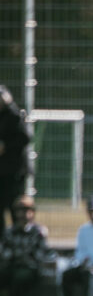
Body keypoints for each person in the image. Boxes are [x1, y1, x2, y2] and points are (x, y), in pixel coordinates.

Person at [0, 196, 50, 296]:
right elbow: (5, 252)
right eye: (20, 211)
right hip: (13, 265)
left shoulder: (38, 232)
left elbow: (40, 255)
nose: (24, 215)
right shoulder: (9, 231)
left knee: (20, 277)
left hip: (32, 268)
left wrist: (20, 257)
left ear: (33, 213)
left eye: (28, 211)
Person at [0, 86, 31, 239]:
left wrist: (6, 146)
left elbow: (25, 138)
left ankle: (17, 238)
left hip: (14, 172)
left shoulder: (15, 115)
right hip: (2, 172)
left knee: (15, 207)